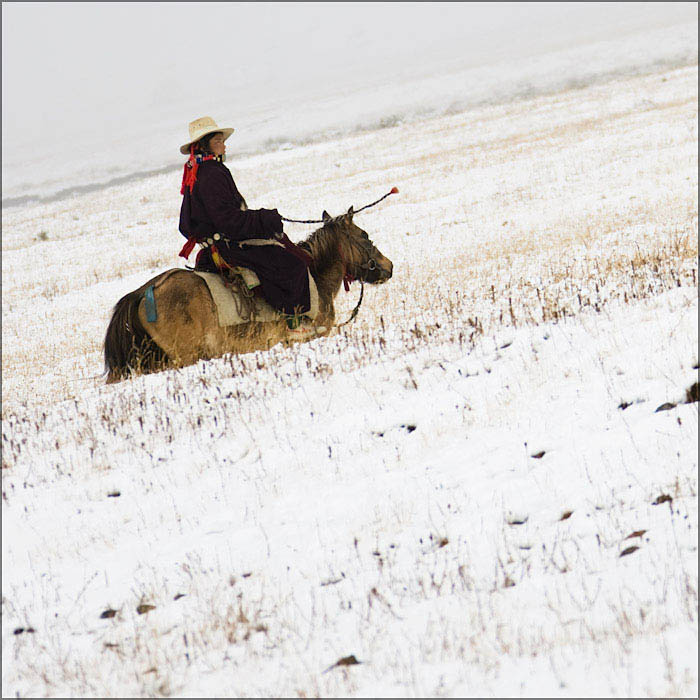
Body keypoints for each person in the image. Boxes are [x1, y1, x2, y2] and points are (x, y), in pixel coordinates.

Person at [178, 116, 313, 331]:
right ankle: (293, 323)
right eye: (218, 141)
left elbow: (184, 225)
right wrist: (265, 219)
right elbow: (229, 221)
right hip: (226, 248)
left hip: (210, 249)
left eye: (222, 141)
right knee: (292, 263)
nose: (224, 145)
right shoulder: (213, 173)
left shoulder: (195, 174)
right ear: (204, 145)